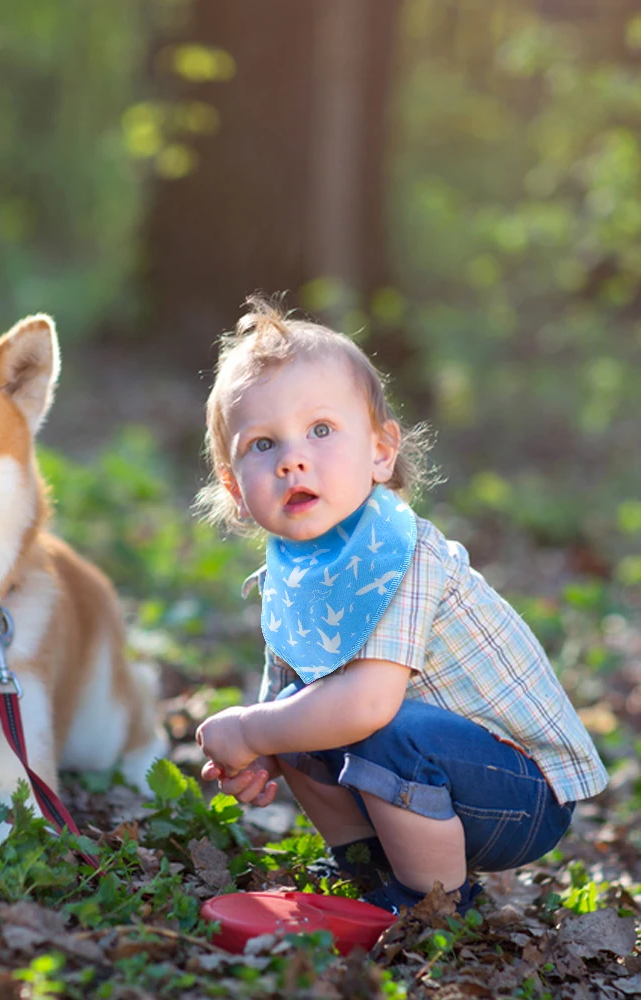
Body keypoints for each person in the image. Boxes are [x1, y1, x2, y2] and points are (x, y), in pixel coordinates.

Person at [193, 295, 608, 915]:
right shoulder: (290, 581)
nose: (292, 458)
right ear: (233, 485)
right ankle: (369, 875)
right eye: (261, 445)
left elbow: (364, 705)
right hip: (425, 770)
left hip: (522, 791)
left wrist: (250, 728)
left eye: (322, 430)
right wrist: (262, 753)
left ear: (381, 452)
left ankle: (433, 907)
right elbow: (291, 715)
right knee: (292, 713)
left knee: (370, 722)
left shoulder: (403, 555)